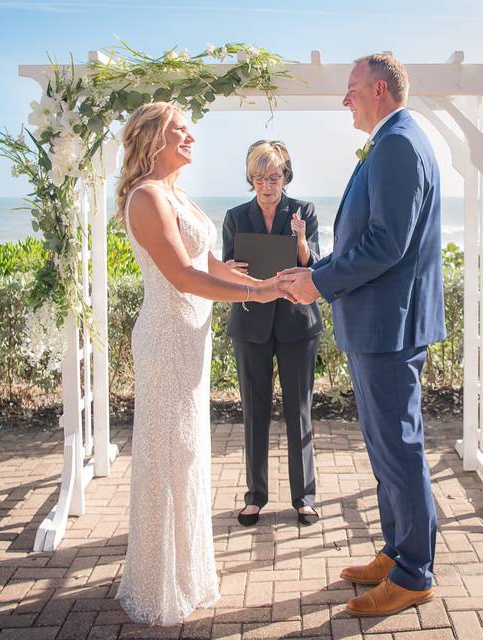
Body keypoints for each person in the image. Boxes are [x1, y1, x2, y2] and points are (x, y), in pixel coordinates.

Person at [279, 53, 446, 617]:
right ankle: (398, 552)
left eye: (351, 89)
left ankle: (415, 573)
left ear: (379, 89)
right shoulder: (392, 140)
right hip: (379, 323)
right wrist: (316, 270)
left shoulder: (399, 143)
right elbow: (372, 241)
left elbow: (386, 244)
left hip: (387, 327)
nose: (344, 99)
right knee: (384, 445)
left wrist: (318, 283)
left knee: (399, 447)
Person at [114, 102, 285, 626]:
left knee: (188, 452)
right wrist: (256, 290)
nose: (190, 137)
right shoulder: (146, 197)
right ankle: (158, 579)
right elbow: (181, 277)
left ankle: (188, 571)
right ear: (153, 139)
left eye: (189, 130)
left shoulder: (175, 193)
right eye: (179, 131)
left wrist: (238, 275)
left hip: (192, 336)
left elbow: (205, 261)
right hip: (167, 336)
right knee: (168, 452)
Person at [222, 140, 323, 527]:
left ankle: (305, 497)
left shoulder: (304, 211)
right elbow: (228, 269)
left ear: (285, 176)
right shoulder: (234, 216)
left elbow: (311, 262)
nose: (268, 184)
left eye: (275, 176)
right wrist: (231, 268)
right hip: (250, 323)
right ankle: (255, 496)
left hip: (297, 323)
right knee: (254, 412)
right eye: (260, 177)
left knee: (299, 411)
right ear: (251, 178)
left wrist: (299, 237)